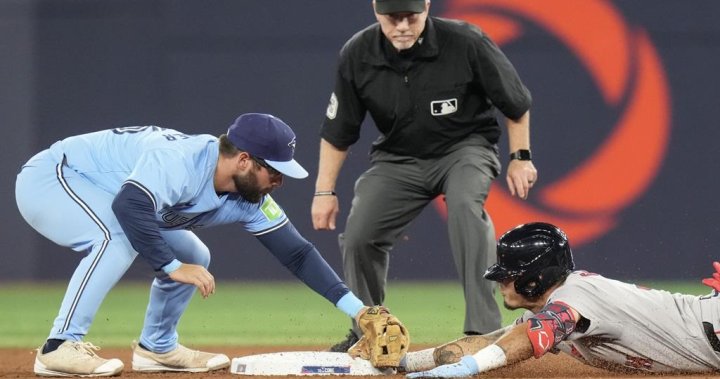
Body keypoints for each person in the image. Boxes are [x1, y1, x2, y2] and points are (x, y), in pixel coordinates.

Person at [16, 113, 381, 377]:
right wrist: (171, 268)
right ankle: (58, 346)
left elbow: (297, 254)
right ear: (243, 160)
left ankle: (156, 348)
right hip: (56, 178)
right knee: (117, 237)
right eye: (274, 171)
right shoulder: (182, 161)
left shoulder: (246, 197)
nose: (278, 181)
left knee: (194, 254)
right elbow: (129, 205)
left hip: (114, 194)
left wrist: (358, 310)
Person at [311, 0, 537, 351]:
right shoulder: (358, 53)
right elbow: (338, 132)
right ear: (375, 10)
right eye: (392, 17)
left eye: (410, 16)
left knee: (464, 207)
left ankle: (484, 332)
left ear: (427, 7)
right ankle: (368, 334)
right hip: (398, 158)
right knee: (359, 235)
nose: (402, 25)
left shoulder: (466, 41)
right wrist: (324, 192)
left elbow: (516, 103)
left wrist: (520, 157)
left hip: (465, 148)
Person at [403, 222, 720, 377]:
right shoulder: (553, 309)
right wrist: (400, 365)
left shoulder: (574, 297)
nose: (501, 282)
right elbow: (487, 343)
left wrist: (464, 371)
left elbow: (528, 340)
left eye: (508, 274)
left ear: (535, 277)